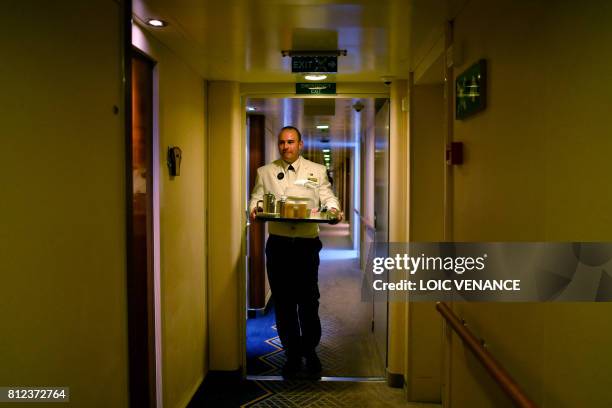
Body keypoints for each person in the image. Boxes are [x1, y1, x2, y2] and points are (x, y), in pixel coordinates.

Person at [249, 126, 343, 379]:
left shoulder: (316, 170)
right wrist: (254, 207)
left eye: (291, 142)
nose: (286, 146)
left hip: (305, 245)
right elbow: (256, 198)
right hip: (278, 245)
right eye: (282, 142)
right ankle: (291, 353)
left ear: (300, 145)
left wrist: (334, 210)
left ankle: (310, 350)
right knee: (284, 302)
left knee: (308, 301)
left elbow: (327, 197)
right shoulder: (265, 172)